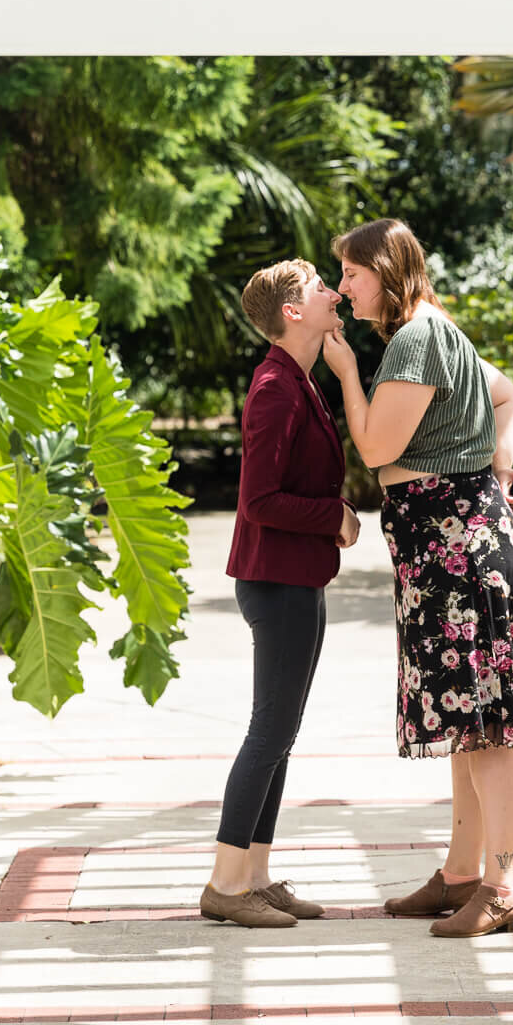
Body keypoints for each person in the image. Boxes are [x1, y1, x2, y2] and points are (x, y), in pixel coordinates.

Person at [321, 218, 513, 939]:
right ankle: (461, 874)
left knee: (491, 723)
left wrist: (348, 373)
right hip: (448, 543)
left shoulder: (416, 337)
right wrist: (501, 471)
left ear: (384, 270)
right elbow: (505, 398)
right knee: (469, 721)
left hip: (458, 548)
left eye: (351, 272)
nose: (343, 286)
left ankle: (504, 884)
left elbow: (378, 443)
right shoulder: (439, 331)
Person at [201, 258, 361, 929]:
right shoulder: (275, 387)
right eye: (319, 286)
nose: (333, 292)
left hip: (297, 578)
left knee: (280, 732)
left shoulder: (297, 379)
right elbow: (260, 499)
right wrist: (337, 518)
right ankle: (224, 884)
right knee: (268, 731)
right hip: (276, 581)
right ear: (292, 312)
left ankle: (256, 876)